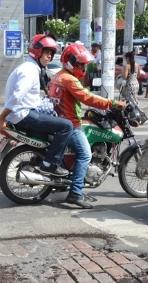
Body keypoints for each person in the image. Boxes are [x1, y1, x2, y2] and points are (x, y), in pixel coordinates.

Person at [49, 43, 126, 208]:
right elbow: (87, 98)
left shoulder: (58, 76)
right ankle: (76, 192)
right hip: (70, 123)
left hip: (58, 119)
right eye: (80, 64)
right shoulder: (69, 79)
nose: (83, 68)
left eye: (84, 64)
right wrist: (111, 103)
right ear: (70, 61)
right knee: (85, 155)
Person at [0, 33, 73, 177]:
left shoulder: (31, 67)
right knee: (66, 126)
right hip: (23, 115)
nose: (49, 56)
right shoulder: (29, 71)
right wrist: (2, 118)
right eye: (46, 52)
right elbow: (16, 97)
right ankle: (49, 165)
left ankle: (39, 158)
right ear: (37, 51)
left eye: (51, 53)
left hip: (23, 112)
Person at [119, 51, 147, 121]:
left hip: (129, 84)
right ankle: (131, 115)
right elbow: (138, 75)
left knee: (130, 100)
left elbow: (125, 77)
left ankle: (141, 115)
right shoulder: (137, 65)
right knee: (133, 99)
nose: (125, 60)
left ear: (128, 58)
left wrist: (122, 75)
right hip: (136, 84)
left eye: (126, 58)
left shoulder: (127, 66)